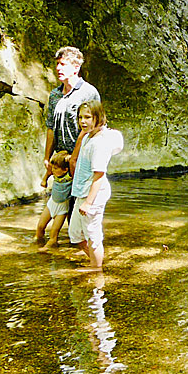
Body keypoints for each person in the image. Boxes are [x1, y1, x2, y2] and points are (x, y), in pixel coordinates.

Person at [68, 99, 124, 270]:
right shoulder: (87, 136)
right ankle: (95, 263)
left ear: (98, 118)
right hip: (82, 192)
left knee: (93, 235)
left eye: (87, 117)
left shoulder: (99, 143)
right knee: (75, 234)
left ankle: (96, 269)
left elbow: (99, 175)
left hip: (93, 195)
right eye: (80, 117)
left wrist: (89, 202)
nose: (82, 121)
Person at [43, 46, 100, 181]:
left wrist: (74, 157)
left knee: (81, 199)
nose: (58, 68)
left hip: (83, 158)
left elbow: (95, 128)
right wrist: (47, 158)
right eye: (57, 64)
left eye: (63, 64)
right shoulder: (55, 95)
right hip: (61, 160)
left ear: (76, 68)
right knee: (58, 201)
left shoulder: (89, 92)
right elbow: (51, 127)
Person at [36, 150, 72, 249]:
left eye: (56, 168)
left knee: (54, 232)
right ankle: (38, 241)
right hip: (51, 204)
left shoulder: (70, 175)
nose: (53, 170)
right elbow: (48, 172)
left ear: (65, 169)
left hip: (62, 208)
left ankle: (50, 244)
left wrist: (70, 158)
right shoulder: (55, 173)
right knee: (40, 227)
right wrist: (44, 180)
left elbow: (75, 163)